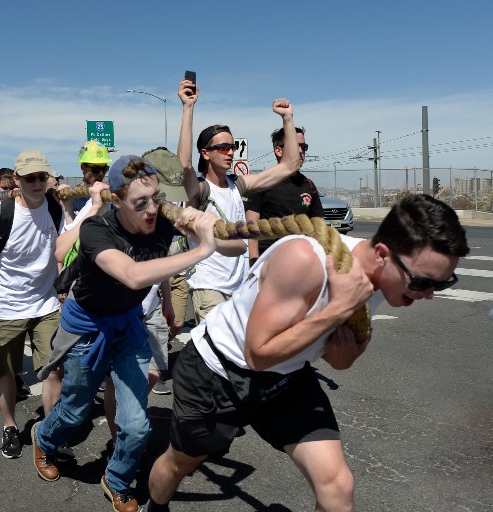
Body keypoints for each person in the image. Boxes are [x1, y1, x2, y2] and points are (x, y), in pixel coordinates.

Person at [146, 194, 468, 511]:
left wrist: (345, 351)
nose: (428, 294)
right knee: (180, 463)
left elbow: (339, 360)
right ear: (382, 254)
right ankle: (156, 506)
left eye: (441, 283)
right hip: (218, 369)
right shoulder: (305, 260)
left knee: (338, 487)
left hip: (285, 375)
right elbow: (257, 353)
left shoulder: (383, 283)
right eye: (423, 281)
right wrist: (337, 309)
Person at [30, 155, 243, 512]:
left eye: (155, 198)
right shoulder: (96, 230)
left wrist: (211, 227)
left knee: (137, 424)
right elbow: (130, 275)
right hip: (88, 330)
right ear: (116, 201)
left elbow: (236, 246)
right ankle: (46, 439)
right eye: (139, 202)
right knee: (74, 411)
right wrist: (202, 250)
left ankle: (116, 478)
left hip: (128, 327)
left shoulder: (163, 218)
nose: (150, 209)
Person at [177, 78, 302, 325]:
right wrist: (188, 108)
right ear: (205, 153)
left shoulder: (239, 185)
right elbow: (184, 165)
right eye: (222, 148)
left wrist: (287, 119)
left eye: (232, 147)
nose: (230, 152)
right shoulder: (200, 190)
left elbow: (289, 165)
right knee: (219, 355)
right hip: (209, 286)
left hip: (239, 286)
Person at [0, 150, 66, 459]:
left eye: (42, 177)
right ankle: (10, 426)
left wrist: (63, 288)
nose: (38, 183)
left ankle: (50, 433)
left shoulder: (55, 209)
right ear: (17, 180)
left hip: (45, 304)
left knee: (54, 370)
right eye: (30, 178)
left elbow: (60, 250)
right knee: (6, 373)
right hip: (4, 306)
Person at [245, 126, 323, 266]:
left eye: (304, 146)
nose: (301, 151)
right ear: (278, 150)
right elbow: (252, 226)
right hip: (268, 263)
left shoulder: (309, 185)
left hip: (300, 263)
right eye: (295, 146)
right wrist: (254, 263)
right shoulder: (263, 182)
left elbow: (319, 229)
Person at [72, 140, 113, 215]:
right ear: (83, 167)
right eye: (96, 169)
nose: (101, 174)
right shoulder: (72, 198)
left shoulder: (108, 198)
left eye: (104, 169)